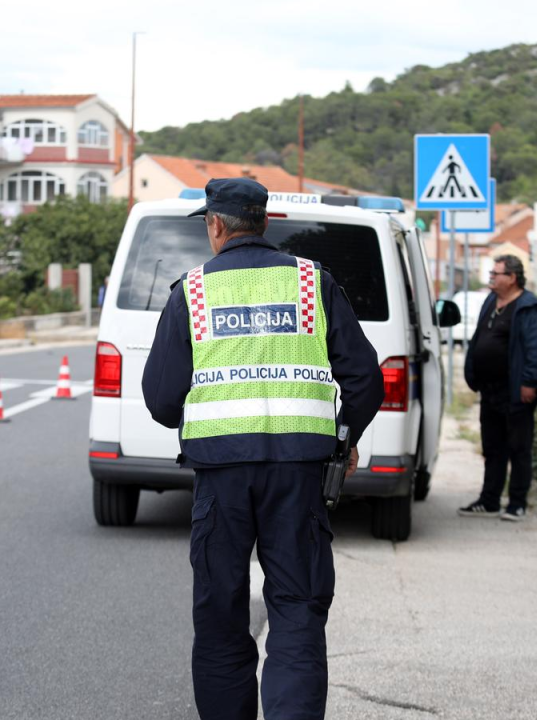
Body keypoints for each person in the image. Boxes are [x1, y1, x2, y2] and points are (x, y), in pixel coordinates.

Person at [142, 178, 383, 720]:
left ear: (215, 225)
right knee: (298, 611)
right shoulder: (312, 282)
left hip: (221, 477)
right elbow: (366, 381)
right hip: (300, 474)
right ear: (265, 222)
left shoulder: (192, 292)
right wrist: (345, 438)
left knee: (221, 619)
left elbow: (160, 401)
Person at [459, 255, 537, 522]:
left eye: (496, 273)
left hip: (516, 391)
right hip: (490, 391)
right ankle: (489, 500)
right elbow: (479, 337)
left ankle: (517, 503)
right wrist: (473, 373)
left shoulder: (529, 308)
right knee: (492, 447)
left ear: (512, 278)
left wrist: (530, 383)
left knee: (518, 448)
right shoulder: (491, 301)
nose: (491, 277)